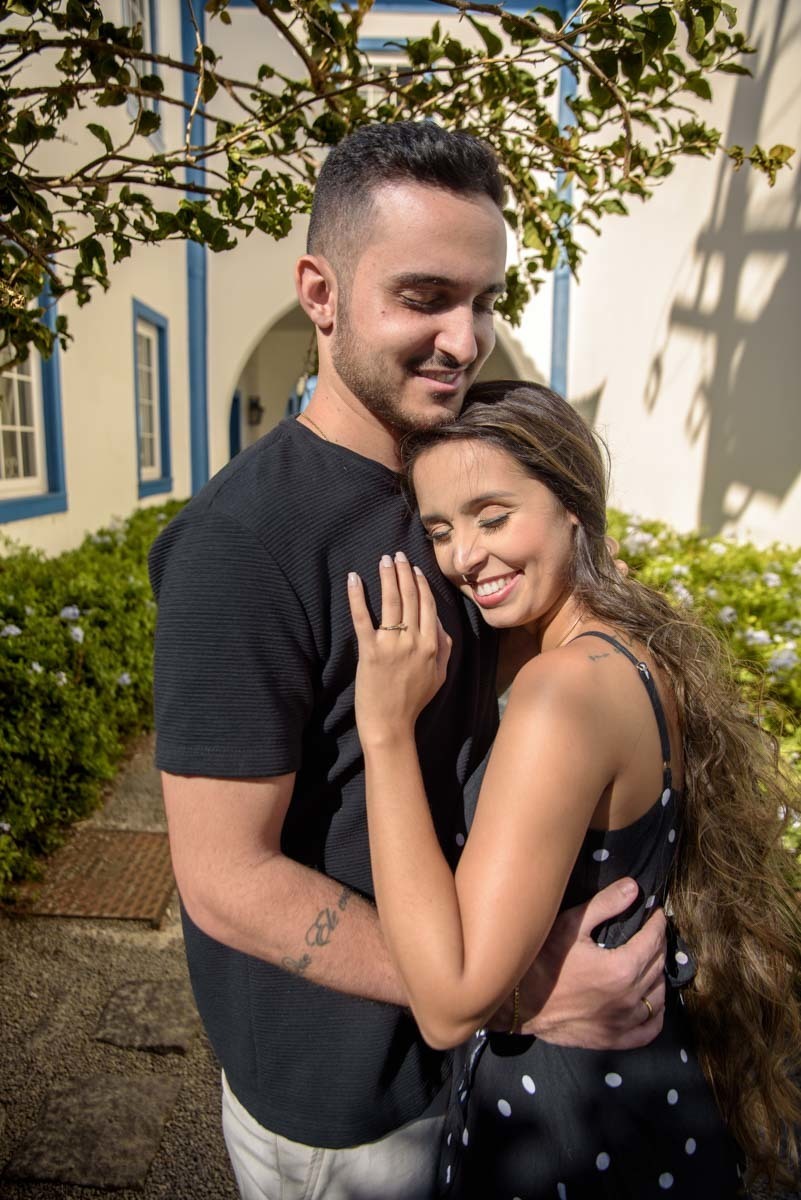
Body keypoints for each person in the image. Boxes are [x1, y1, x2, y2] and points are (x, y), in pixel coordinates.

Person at [149, 123, 669, 1200]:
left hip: (481, 1070)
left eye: (484, 301)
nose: (463, 339)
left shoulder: (455, 482)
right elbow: (224, 879)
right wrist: (508, 989)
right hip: (355, 1108)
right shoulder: (242, 544)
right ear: (321, 293)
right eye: (424, 298)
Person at [347, 379, 801, 1197]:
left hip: (561, 1126)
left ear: (572, 507)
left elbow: (449, 1004)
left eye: (492, 517)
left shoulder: (561, 690)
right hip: (643, 1104)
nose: (462, 557)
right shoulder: (623, 643)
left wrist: (383, 731)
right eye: (441, 530)